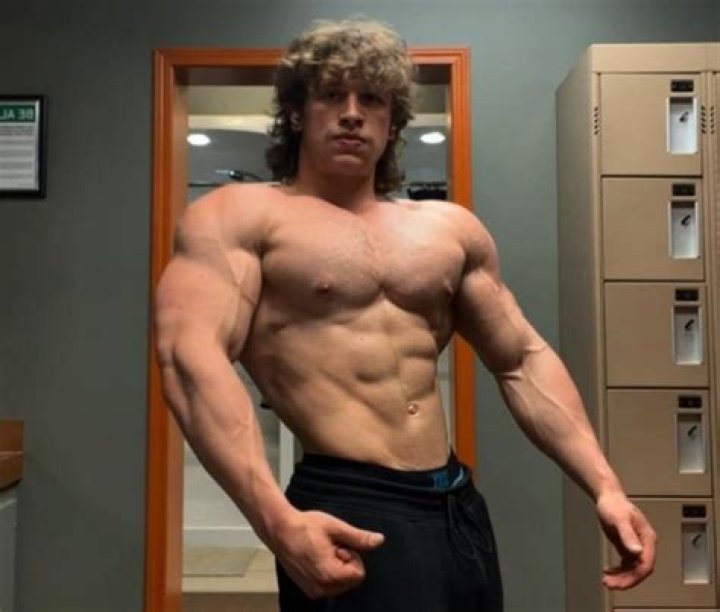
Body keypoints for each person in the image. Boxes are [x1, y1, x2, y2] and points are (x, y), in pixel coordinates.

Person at [155, 17, 656, 611]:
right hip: (348, 501)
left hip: (456, 506)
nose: (352, 113)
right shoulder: (240, 216)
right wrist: (275, 519)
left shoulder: (448, 228)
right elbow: (190, 360)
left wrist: (605, 485)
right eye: (331, 95)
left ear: (392, 121)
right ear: (296, 112)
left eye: (371, 99)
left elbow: (522, 360)